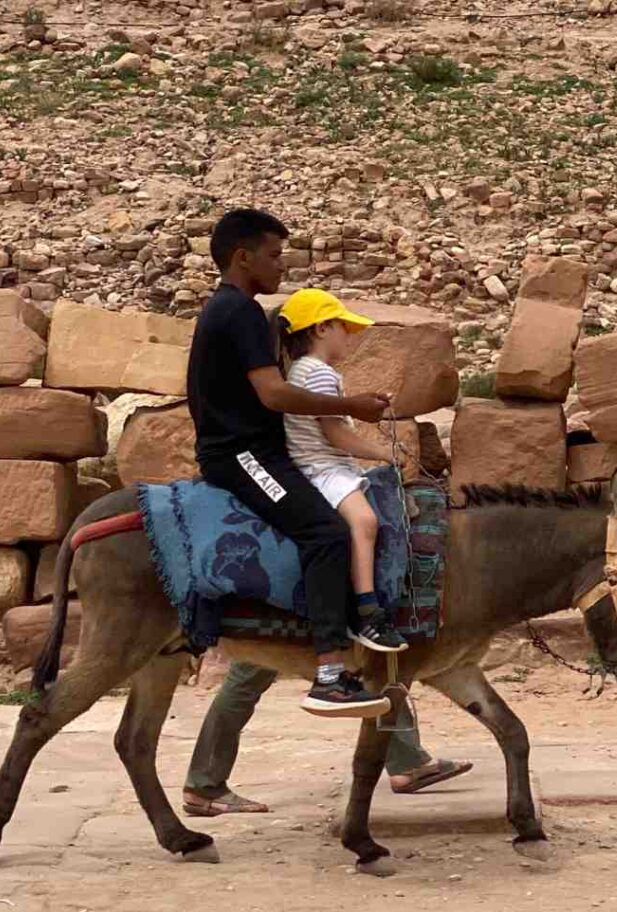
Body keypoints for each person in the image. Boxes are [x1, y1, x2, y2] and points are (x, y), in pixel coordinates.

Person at [187, 208, 390, 719]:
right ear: (242, 257)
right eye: (275, 256)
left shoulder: (237, 311)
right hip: (240, 456)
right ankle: (328, 673)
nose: (282, 268)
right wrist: (353, 406)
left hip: (258, 451)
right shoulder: (238, 312)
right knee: (326, 533)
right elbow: (274, 395)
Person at [278, 287, 408, 653]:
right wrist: (385, 453)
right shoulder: (318, 374)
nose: (349, 337)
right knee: (364, 522)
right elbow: (336, 436)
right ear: (321, 329)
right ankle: (367, 611)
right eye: (343, 328)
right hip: (321, 468)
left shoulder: (306, 371)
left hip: (325, 465)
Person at [182, 661, 474, 816]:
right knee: (248, 676)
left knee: (368, 664)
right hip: (291, 586)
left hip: (275, 581)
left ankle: (407, 761)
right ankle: (204, 784)